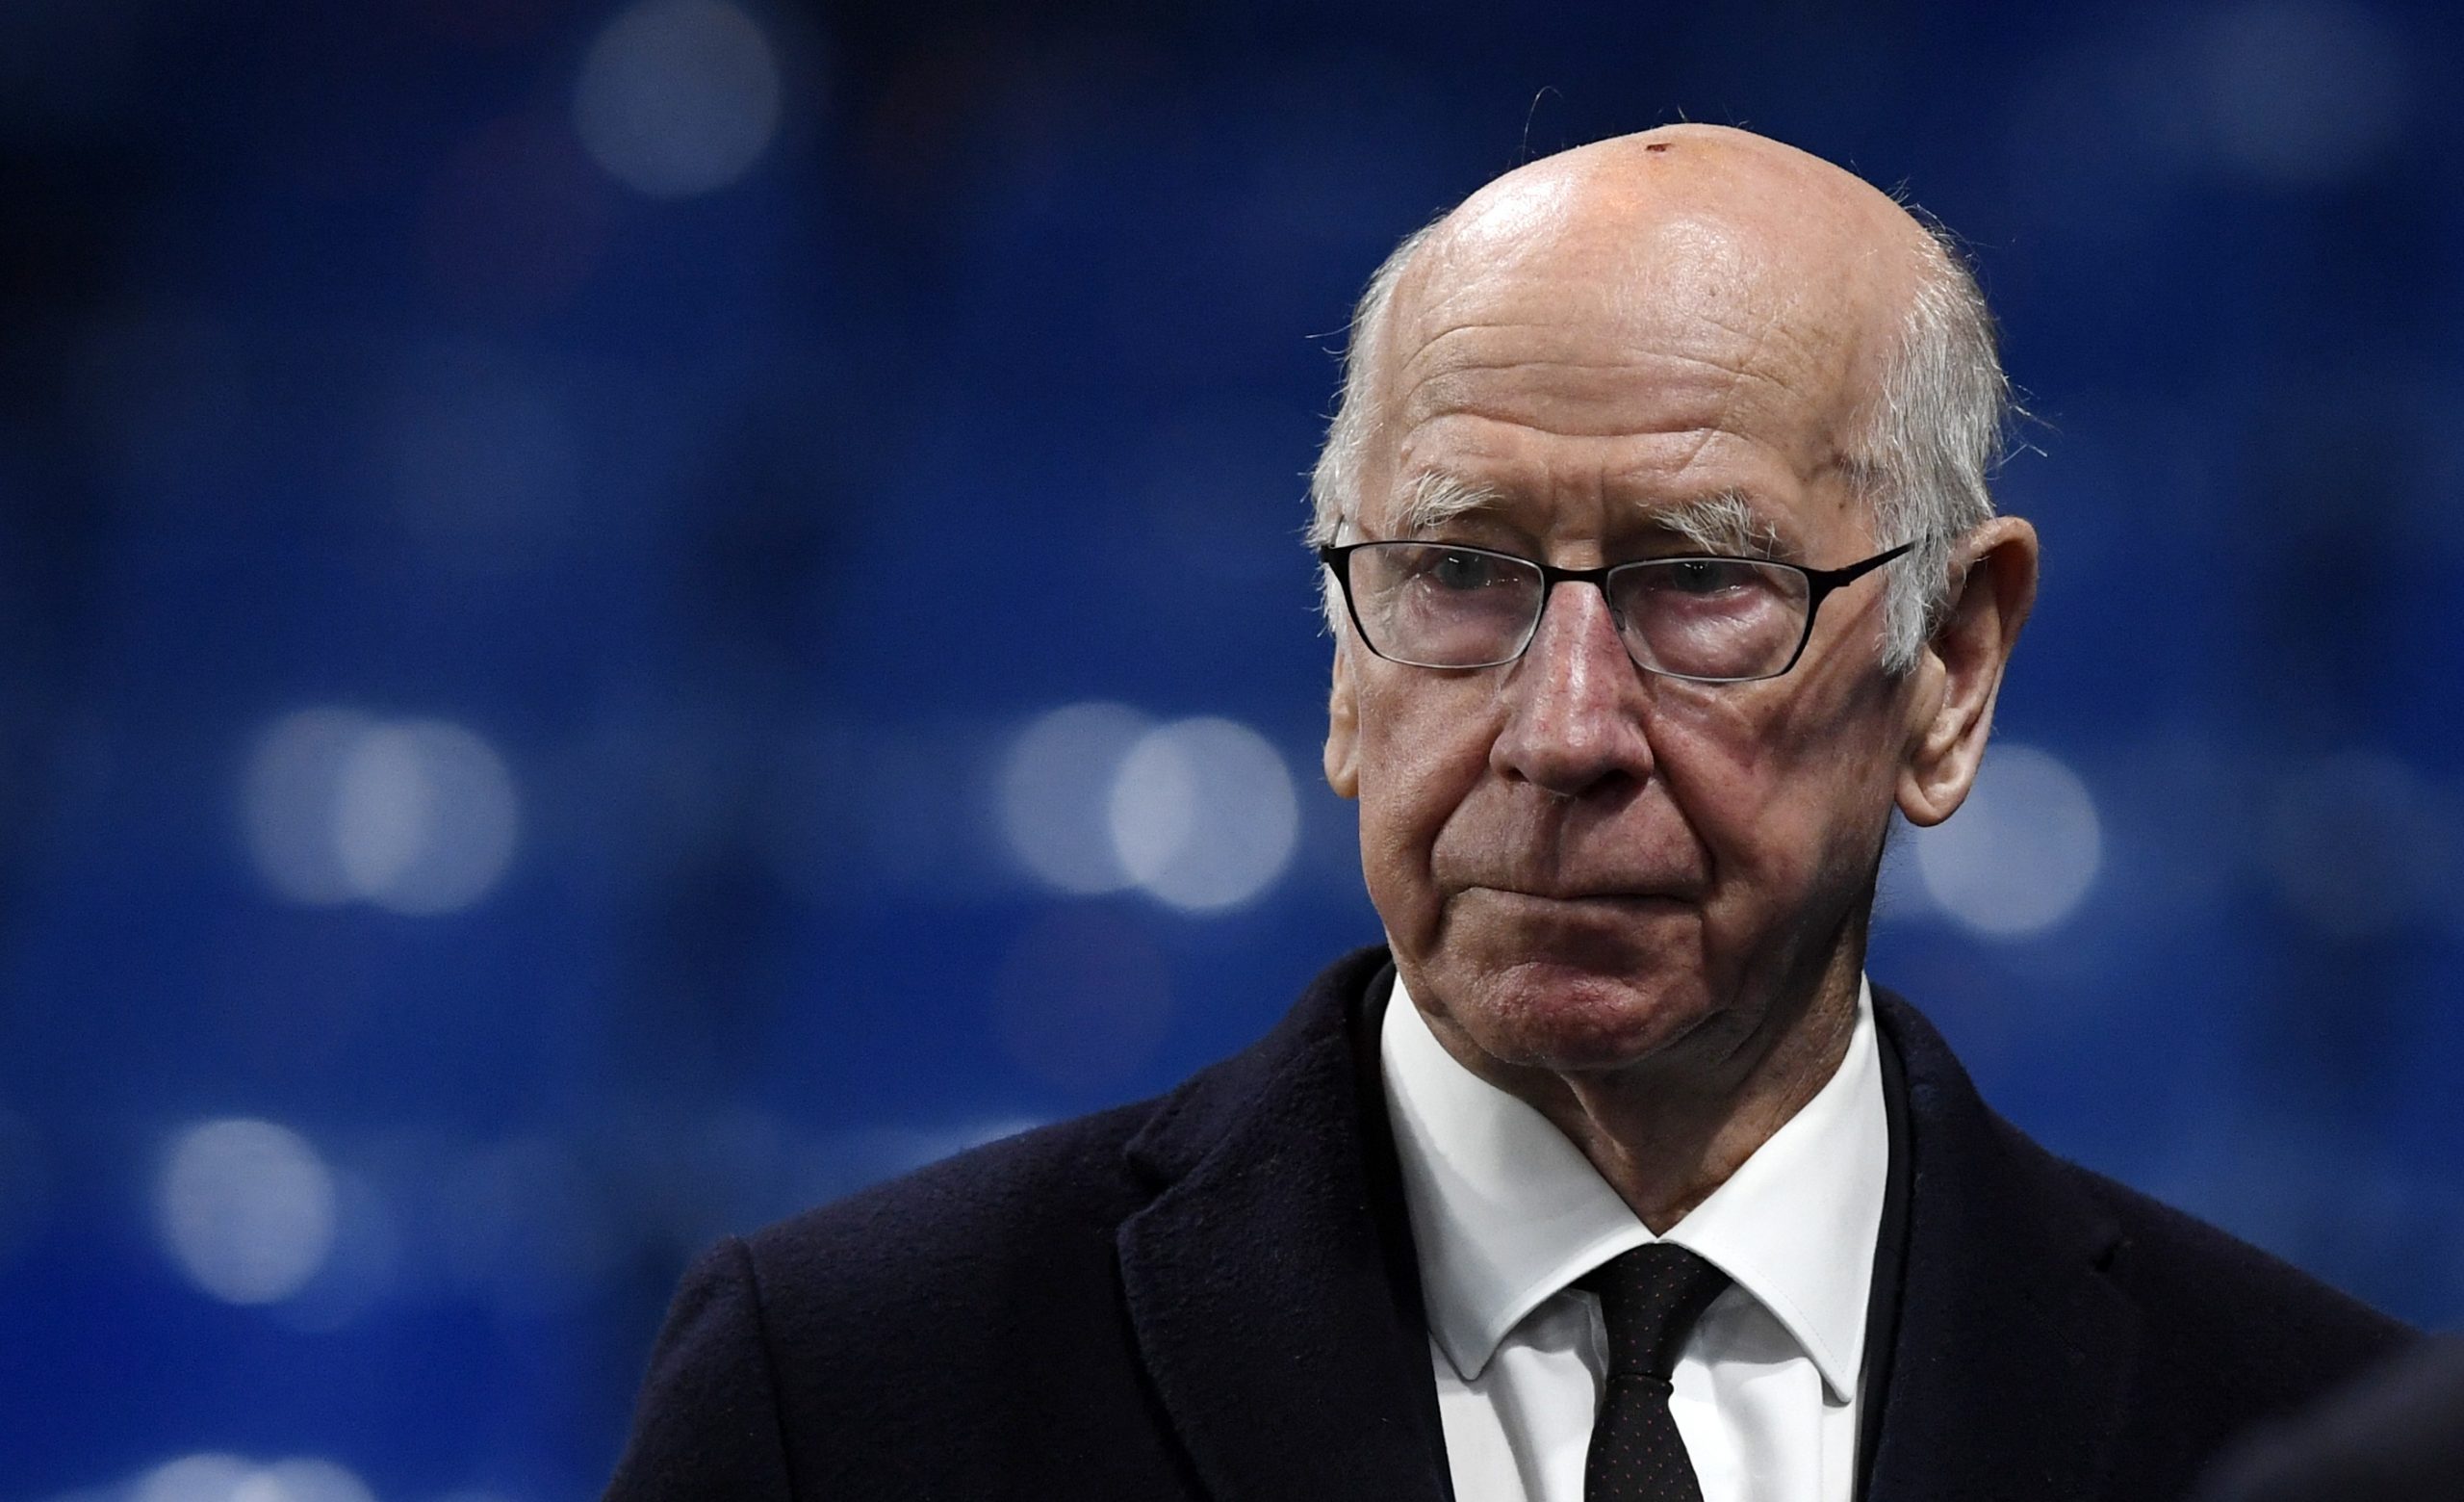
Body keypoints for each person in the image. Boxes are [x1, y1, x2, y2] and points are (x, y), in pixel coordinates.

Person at [602, 125, 2413, 1502]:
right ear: (1341, 669)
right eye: (1458, 571)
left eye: (1701, 582)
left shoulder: (2301, 1431)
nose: (1562, 733)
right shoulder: (846, 1392)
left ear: (1949, 666)